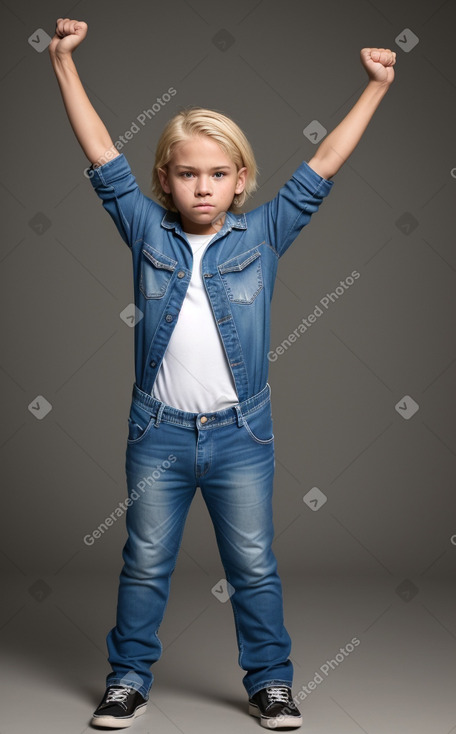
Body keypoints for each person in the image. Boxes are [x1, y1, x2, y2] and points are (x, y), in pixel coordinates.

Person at [49, 17, 396, 730]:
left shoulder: (264, 234)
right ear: (164, 181)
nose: (201, 188)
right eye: (185, 174)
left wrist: (375, 86)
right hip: (158, 434)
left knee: (252, 566)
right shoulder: (146, 231)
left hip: (241, 436)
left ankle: (269, 683)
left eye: (216, 174)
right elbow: (98, 151)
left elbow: (323, 164)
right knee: (145, 562)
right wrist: (61, 60)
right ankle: (126, 678)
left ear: (240, 180)